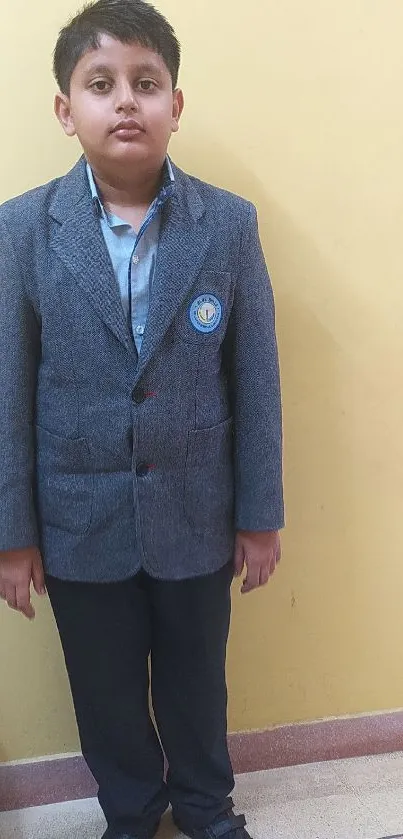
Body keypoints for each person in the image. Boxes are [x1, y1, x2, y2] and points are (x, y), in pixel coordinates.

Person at [0, 1, 284, 837]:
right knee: (105, 686)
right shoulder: (21, 231)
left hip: (198, 513)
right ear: (65, 110)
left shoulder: (226, 225)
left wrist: (259, 515)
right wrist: (13, 530)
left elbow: (256, 380)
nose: (125, 100)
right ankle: (130, 808)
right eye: (101, 83)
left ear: (175, 104)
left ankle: (204, 805)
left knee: (197, 678)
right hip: (77, 521)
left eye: (145, 83)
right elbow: (8, 389)